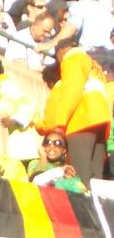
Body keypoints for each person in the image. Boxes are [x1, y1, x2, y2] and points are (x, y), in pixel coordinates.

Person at [40, 38, 110, 184]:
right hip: (100, 121)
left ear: (61, 51)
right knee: (96, 180)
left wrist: (60, 123)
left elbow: (72, 90)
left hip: (82, 122)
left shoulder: (73, 58)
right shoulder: (93, 65)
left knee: (80, 177)